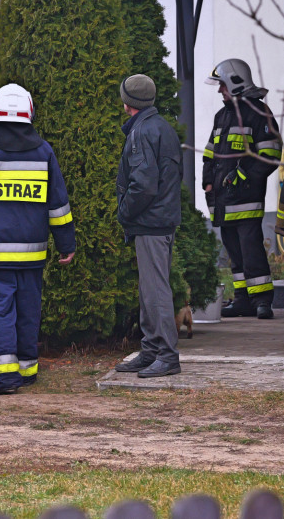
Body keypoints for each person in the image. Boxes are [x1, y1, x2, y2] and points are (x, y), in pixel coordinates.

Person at [0, 84, 75, 394]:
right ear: (29, 113)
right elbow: (58, 205)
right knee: (28, 308)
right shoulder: (44, 151)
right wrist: (66, 243)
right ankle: (26, 368)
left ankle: (6, 376)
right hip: (32, 253)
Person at [113, 74, 184, 379]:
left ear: (128, 102)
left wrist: (124, 212)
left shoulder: (141, 132)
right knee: (150, 290)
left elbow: (142, 185)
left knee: (154, 292)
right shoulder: (161, 127)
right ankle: (152, 350)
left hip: (150, 223)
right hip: (160, 220)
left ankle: (166, 355)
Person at [202, 58, 282, 320]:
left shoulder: (259, 114)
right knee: (234, 253)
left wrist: (243, 177)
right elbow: (209, 154)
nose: (219, 91)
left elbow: (270, 153)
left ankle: (262, 301)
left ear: (235, 83)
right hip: (223, 199)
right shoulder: (221, 116)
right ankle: (243, 300)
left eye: (222, 85)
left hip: (245, 199)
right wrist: (208, 181)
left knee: (252, 250)